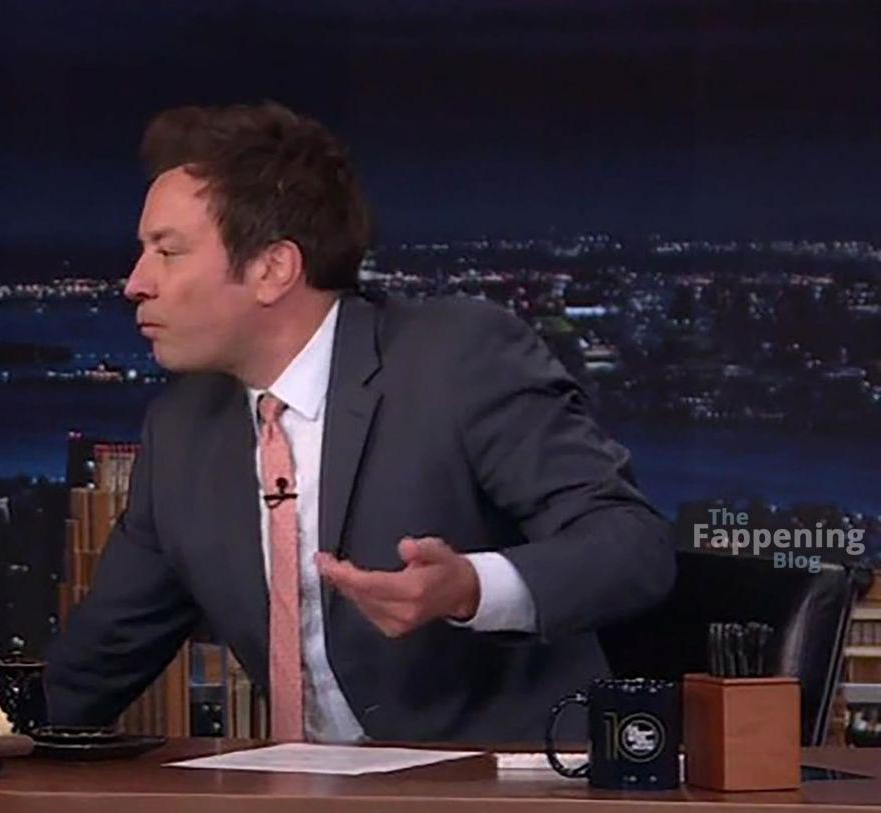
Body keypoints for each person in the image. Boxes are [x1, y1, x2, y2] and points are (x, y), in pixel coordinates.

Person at [45, 103, 675, 745]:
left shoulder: (456, 360)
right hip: (308, 800)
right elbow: (98, 661)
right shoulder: (182, 429)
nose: (135, 283)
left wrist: (472, 587)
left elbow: (632, 546)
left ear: (272, 269)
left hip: (503, 789)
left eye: (168, 252)